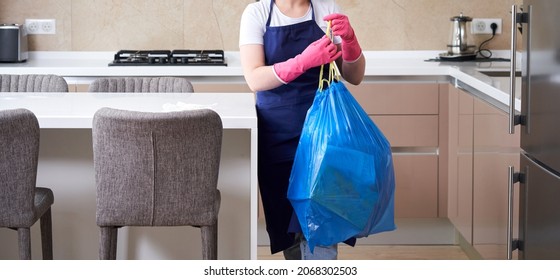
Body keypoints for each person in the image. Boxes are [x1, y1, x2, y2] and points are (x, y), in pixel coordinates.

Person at [239, 0, 365, 260]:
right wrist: (303, 61)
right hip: (278, 135)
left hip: (324, 134)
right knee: (289, 228)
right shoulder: (259, 13)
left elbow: (354, 75)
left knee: (323, 224)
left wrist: (350, 41)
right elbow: (255, 78)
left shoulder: (326, 8)